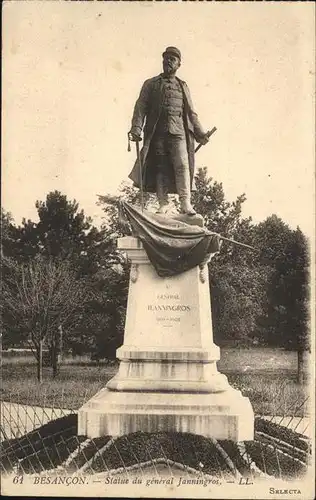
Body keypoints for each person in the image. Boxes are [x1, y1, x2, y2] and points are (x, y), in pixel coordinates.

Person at [128, 46, 209, 215]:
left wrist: (200, 133)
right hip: (157, 132)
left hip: (179, 133)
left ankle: (186, 203)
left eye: (172, 59)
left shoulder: (183, 86)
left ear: (179, 64)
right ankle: (163, 203)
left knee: (182, 165)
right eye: (166, 58)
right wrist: (136, 128)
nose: (168, 61)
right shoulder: (151, 84)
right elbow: (141, 106)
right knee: (161, 167)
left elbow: (191, 112)